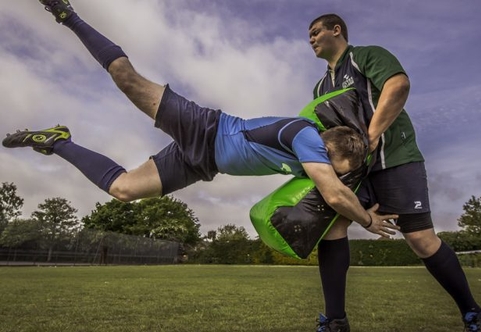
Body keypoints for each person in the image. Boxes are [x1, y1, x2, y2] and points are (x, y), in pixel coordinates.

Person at [2, 1, 401, 242]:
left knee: (123, 189)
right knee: (127, 79)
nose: (330, 173)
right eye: (335, 166)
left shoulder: (314, 158)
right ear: (330, 148)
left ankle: (56, 141)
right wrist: (369, 219)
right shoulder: (308, 139)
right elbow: (333, 195)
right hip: (205, 128)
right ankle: (67, 14)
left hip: (201, 163)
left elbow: (328, 194)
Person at [308, 13, 481, 332]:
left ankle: (473, 313)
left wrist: (371, 135)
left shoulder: (367, 56)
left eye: (315, 32)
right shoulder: (321, 86)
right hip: (358, 172)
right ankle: (335, 321)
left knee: (420, 239)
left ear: (336, 30)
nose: (310, 39)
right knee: (332, 224)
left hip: (397, 160)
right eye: (308, 35)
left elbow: (398, 85)